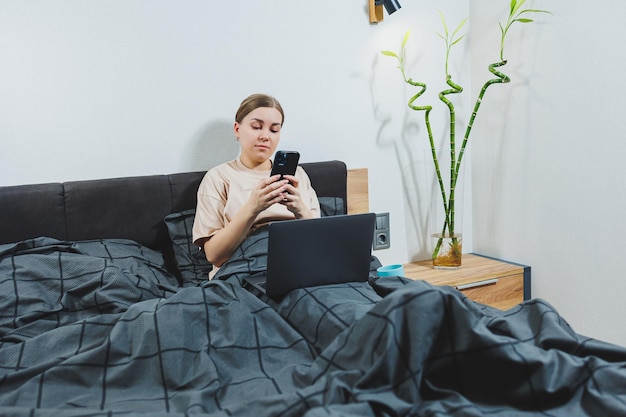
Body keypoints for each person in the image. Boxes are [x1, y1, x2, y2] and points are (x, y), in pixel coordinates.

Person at [192, 93, 321, 278]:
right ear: (237, 129)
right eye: (256, 127)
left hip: (298, 263)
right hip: (247, 270)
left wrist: (300, 209)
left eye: (274, 130)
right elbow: (214, 255)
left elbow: (320, 242)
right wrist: (253, 207)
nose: (265, 136)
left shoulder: (298, 175)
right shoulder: (219, 177)